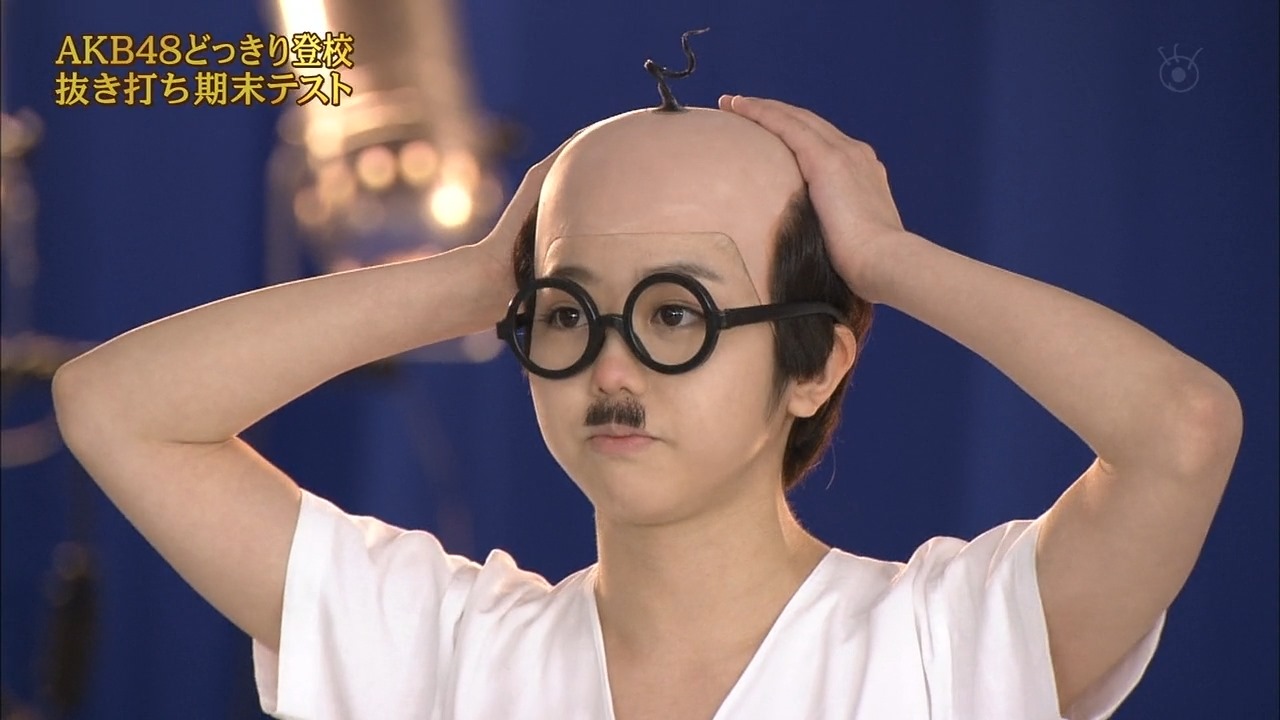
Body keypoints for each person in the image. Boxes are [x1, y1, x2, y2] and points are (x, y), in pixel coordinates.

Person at [50, 96, 1242, 720]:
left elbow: (1178, 433)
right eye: (568, 313)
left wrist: (885, 259)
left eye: (677, 314)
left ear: (815, 365)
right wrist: (476, 278)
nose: (610, 369)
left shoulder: (948, 648)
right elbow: (115, 406)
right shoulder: (443, 652)